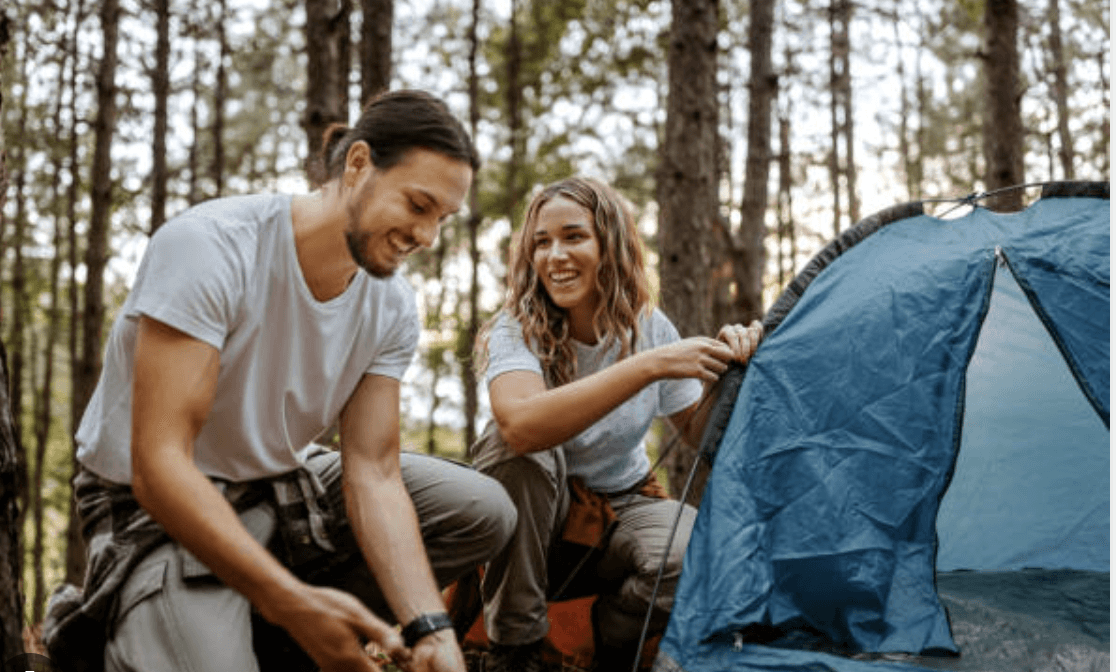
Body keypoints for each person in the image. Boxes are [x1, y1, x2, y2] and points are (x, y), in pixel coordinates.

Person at [42, 89, 516, 672]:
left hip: (277, 483)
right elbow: (159, 465)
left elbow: (374, 472)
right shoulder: (210, 247)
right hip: (153, 508)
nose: (428, 236)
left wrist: (432, 627)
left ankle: (266, 629)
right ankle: (121, 625)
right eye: (418, 205)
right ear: (359, 163)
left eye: (442, 218)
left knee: (481, 508)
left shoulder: (391, 305)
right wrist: (291, 603)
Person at [471, 176, 764, 672]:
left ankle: (598, 640)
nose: (554, 256)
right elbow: (520, 427)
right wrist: (649, 366)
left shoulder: (648, 326)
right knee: (510, 446)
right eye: (541, 242)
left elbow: (701, 434)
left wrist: (737, 373)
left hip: (624, 501)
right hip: (538, 518)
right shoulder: (513, 330)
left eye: (573, 236)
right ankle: (515, 649)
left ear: (610, 244)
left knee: (700, 557)